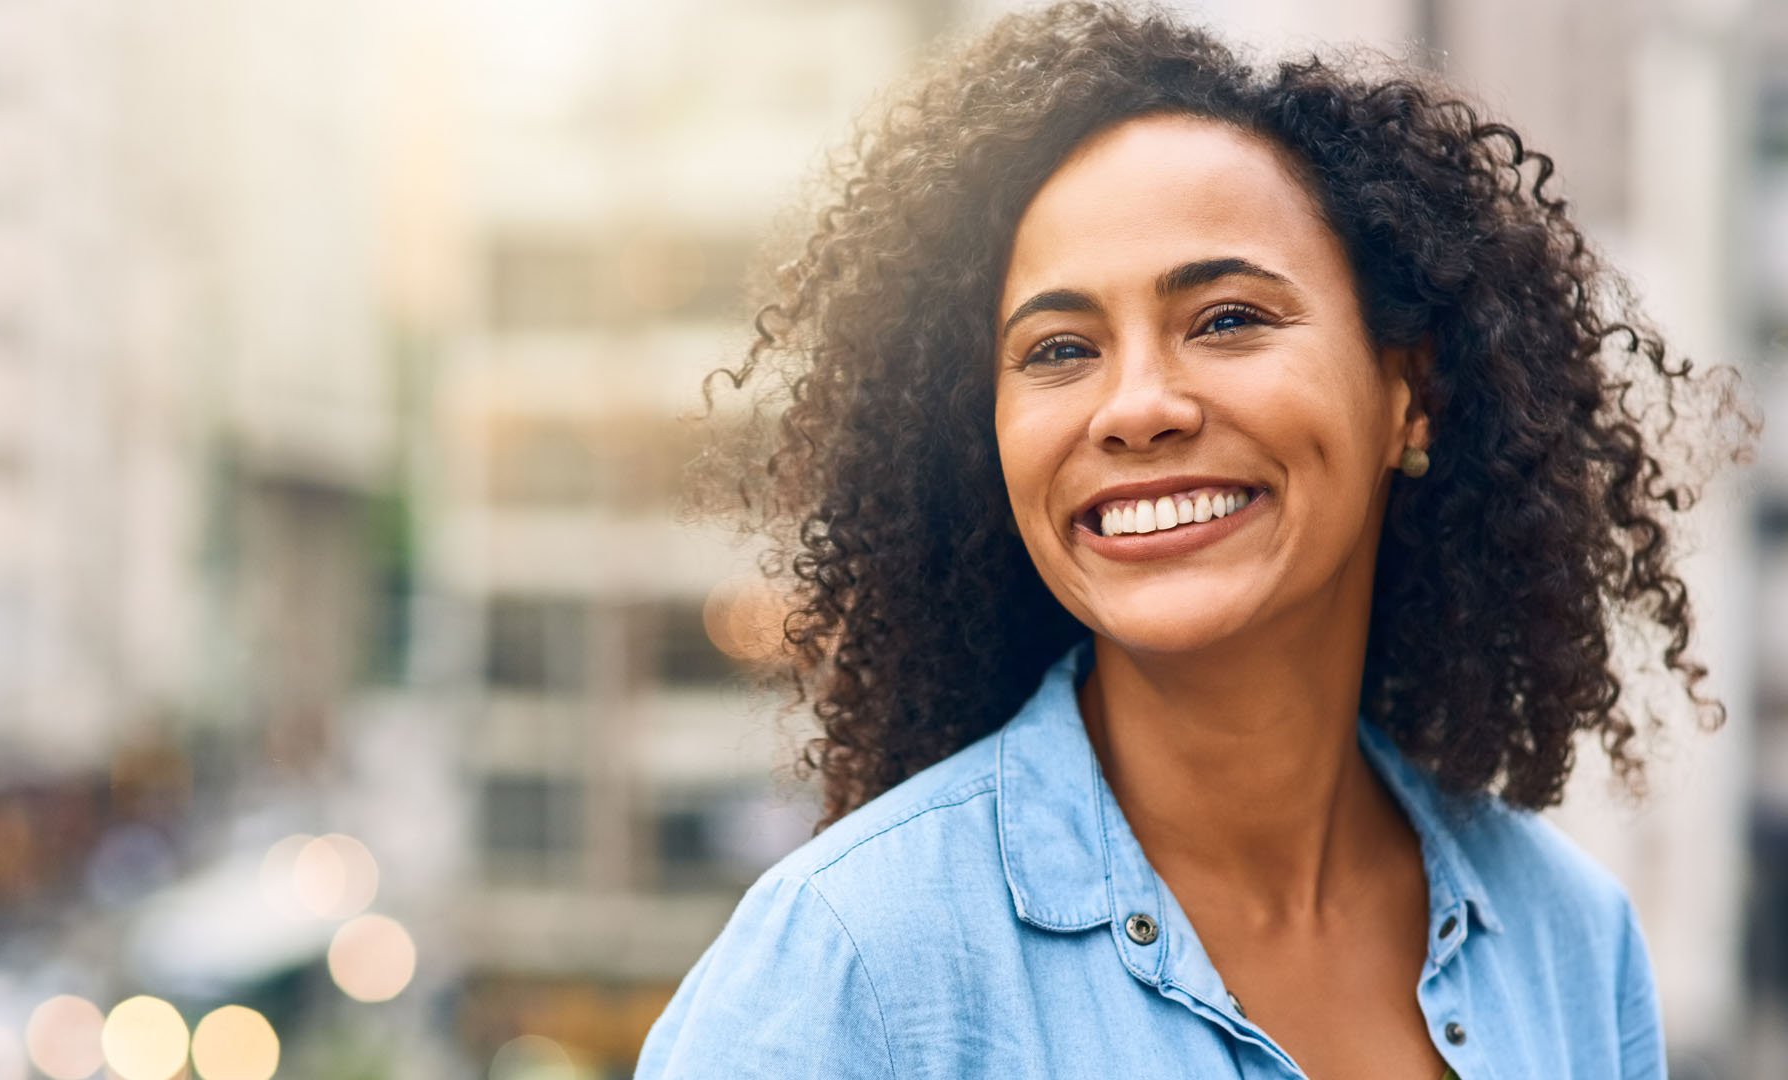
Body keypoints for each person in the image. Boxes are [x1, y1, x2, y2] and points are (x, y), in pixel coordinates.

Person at [637, 2, 1748, 1076]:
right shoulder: (855, 962)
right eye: (1060, 349)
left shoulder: (1569, 943)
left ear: (1410, 394)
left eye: (1226, 319)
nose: (1135, 406)